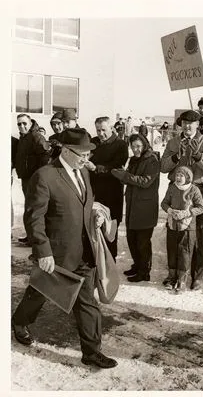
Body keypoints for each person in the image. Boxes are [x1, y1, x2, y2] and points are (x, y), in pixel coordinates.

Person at [11, 128, 118, 369]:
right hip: (57, 253)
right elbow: (34, 218)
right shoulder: (45, 176)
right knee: (39, 293)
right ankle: (19, 321)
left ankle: (91, 352)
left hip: (84, 252)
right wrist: (43, 251)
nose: (85, 159)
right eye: (81, 154)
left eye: (88, 155)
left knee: (87, 302)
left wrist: (96, 216)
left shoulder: (84, 174)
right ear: (66, 151)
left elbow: (85, 205)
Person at [161, 110, 203, 290]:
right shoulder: (173, 142)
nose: (187, 126)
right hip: (176, 190)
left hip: (197, 190)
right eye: (184, 122)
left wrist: (199, 156)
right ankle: (176, 273)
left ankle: (196, 274)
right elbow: (163, 166)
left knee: (197, 233)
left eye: (191, 123)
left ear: (198, 125)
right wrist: (176, 157)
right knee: (176, 232)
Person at [112, 133, 160, 282]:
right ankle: (137, 265)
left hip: (145, 207)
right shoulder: (133, 159)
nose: (135, 149)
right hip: (133, 205)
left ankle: (144, 272)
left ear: (144, 144)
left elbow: (146, 181)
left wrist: (124, 176)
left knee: (142, 242)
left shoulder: (152, 160)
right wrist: (121, 175)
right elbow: (130, 178)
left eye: (138, 146)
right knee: (132, 239)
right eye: (133, 147)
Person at [86, 116, 129, 261]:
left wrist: (96, 168)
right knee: (94, 225)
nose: (100, 133)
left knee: (110, 227)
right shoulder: (93, 142)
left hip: (112, 192)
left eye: (103, 130)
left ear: (111, 128)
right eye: (98, 130)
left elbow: (116, 166)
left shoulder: (120, 144)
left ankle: (110, 260)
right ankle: (95, 258)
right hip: (94, 192)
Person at [161, 166, 203, 292]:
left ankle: (182, 279)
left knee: (184, 252)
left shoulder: (194, 189)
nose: (178, 178)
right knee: (172, 250)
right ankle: (171, 277)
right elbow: (164, 203)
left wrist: (186, 213)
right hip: (172, 225)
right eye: (177, 175)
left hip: (187, 227)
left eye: (181, 175)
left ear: (188, 177)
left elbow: (201, 207)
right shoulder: (172, 188)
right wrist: (170, 210)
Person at [15, 114, 51, 244]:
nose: (22, 126)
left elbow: (45, 156)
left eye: (24, 123)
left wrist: (39, 176)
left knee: (34, 209)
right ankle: (31, 236)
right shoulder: (24, 138)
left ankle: (36, 239)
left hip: (33, 179)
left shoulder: (36, 137)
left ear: (30, 124)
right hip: (26, 178)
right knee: (29, 208)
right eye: (19, 124)